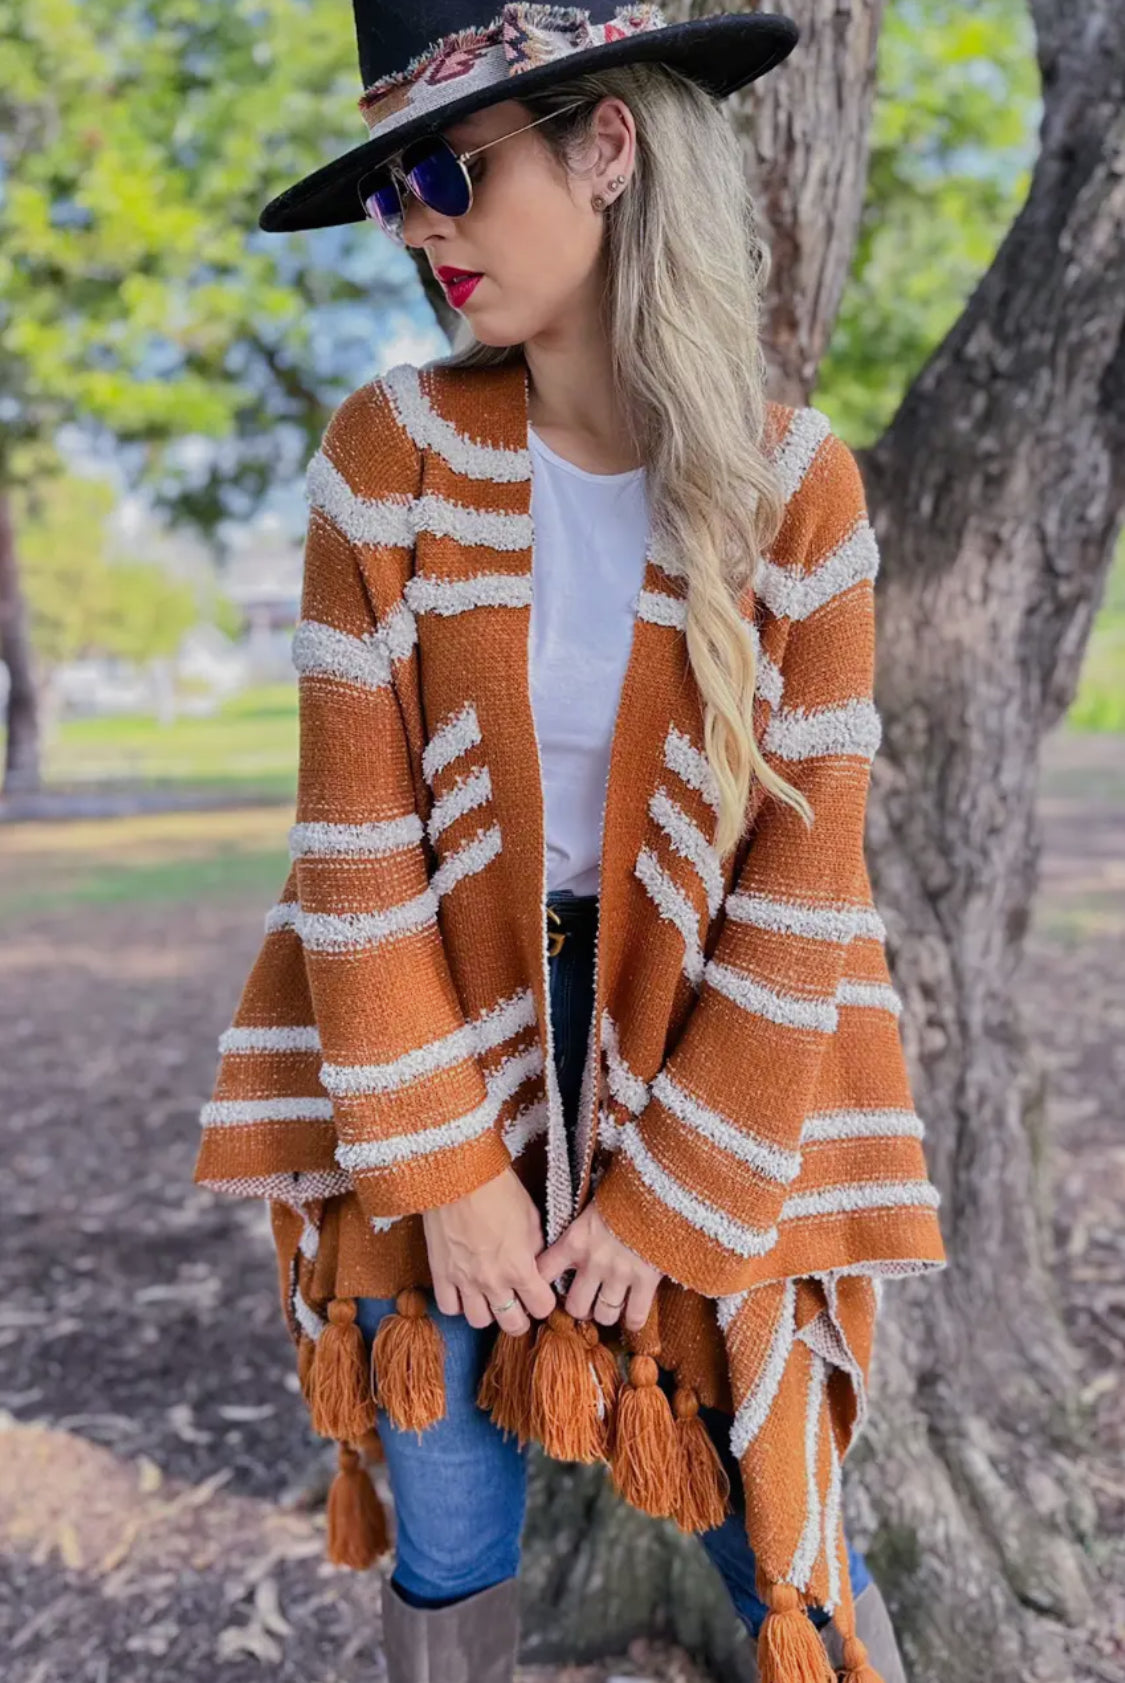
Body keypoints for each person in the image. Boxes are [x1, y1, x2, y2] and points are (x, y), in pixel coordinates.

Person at [194, 6, 948, 1682]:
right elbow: (352, 839)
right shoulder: (380, 459)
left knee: (778, 1537)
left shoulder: (791, 490)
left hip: (707, 1056)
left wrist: (671, 1195)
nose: (420, 227)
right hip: (430, 1041)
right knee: (450, 1529)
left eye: (451, 173)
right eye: (397, 196)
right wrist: (444, 1166)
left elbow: (805, 874)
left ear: (606, 148)